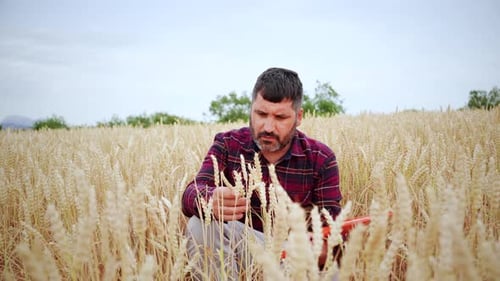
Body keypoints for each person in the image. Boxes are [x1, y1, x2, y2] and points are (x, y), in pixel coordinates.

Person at [181, 67, 342, 280]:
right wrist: (209, 199)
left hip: (293, 258)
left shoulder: (320, 158)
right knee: (199, 225)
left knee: (333, 273)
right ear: (251, 110)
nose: (268, 126)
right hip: (243, 248)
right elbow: (192, 192)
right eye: (261, 114)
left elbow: (332, 237)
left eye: (280, 117)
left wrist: (321, 246)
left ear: (299, 117)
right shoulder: (228, 144)